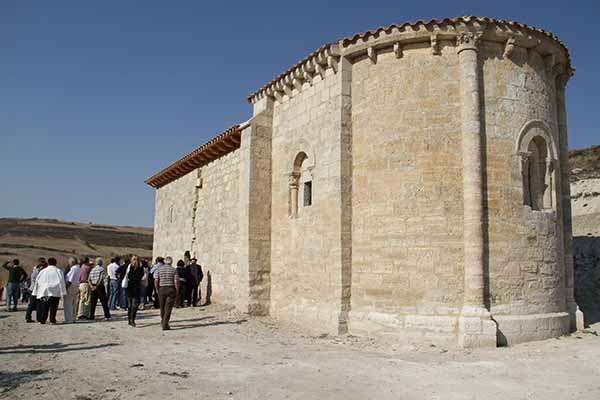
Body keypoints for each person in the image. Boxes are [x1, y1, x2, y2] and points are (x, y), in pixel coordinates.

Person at [32, 257, 66, 324]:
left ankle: (43, 320)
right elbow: (61, 281)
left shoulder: (43, 271)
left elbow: (37, 281)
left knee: (45, 306)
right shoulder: (58, 271)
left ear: (48, 263)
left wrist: (35, 292)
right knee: (53, 307)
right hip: (54, 291)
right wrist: (63, 292)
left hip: (44, 291)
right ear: (55, 263)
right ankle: (52, 320)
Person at [153, 256, 178, 330]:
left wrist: (157, 289)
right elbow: (176, 281)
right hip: (171, 289)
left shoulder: (159, 269)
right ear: (171, 262)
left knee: (162, 307)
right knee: (168, 307)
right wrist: (177, 290)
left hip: (161, 289)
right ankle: (165, 323)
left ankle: (163, 321)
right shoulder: (174, 270)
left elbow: (156, 280)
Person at [25, 258, 47, 322]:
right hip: (34, 290)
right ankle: (29, 317)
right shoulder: (37, 270)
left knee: (37, 305)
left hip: (35, 289)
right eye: (43, 262)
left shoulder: (36, 270)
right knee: (33, 305)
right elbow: (35, 281)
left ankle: (37, 318)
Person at [125, 256, 144, 327]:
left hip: (136, 289)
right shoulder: (128, 268)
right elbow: (118, 271)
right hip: (129, 288)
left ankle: (132, 319)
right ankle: (130, 319)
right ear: (131, 261)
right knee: (130, 305)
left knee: (135, 305)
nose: (135, 261)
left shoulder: (140, 269)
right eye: (133, 260)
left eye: (136, 260)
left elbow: (140, 277)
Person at [63, 257, 80, 323]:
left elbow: (70, 280)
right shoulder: (78, 268)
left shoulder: (74, 269)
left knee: (68, 303)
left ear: (72, 262)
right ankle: (73, 318)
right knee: (74, 304)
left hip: (71, 287)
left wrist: (66, 288)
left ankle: (69, 319)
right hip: (76, 286)